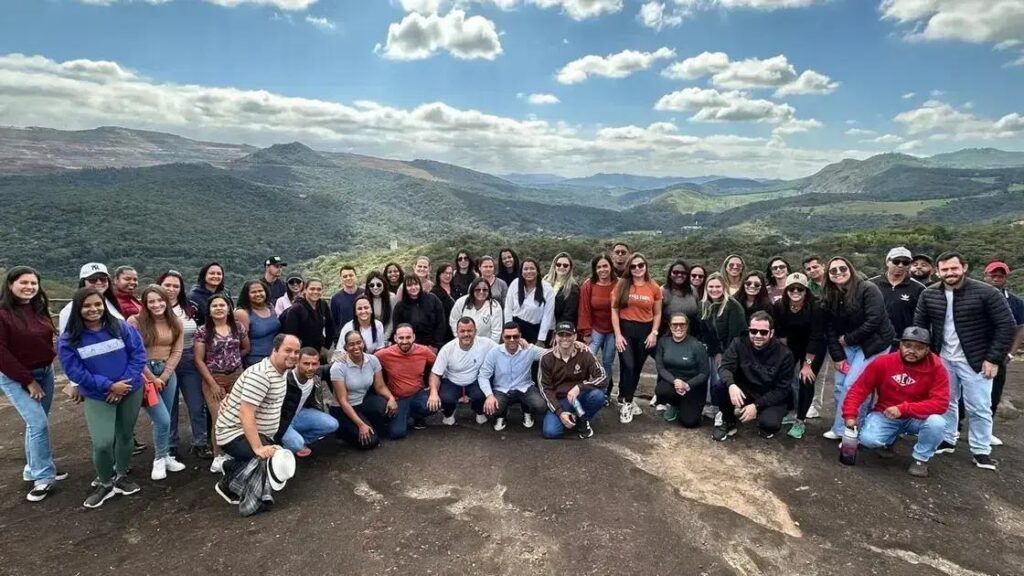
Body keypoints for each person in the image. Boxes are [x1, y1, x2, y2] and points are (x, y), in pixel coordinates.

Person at [913, 252, 1015, 470]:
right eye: (945, 270)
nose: (950, 273)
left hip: (976, 359)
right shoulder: (929, 294)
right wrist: (926, 355)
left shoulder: (986, 293)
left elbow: (1006, 326)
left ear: (964, 267)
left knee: (979, 406)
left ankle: (980, 450)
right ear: (938, 271)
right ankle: (948, 439)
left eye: (954, 268)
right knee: (946, 402)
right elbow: (920, 325)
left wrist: (993, 358)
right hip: (943, 358)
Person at [58, 287, 146, 509]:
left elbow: (138, 355)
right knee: (103, 442)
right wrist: (108, 386)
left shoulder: (120, 327)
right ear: (78, 309)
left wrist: (123, 385)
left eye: (97, 304)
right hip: (99, 395)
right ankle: (105, 483)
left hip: (129, 389)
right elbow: (75, 371)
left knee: (125, 435)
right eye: (87, 306)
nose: (93, 309)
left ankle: (121, 475)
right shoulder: (70, 339)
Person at [843, 327, 950, 477]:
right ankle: (890, 439)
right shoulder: (883, 362)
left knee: (937, 423)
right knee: (868, 440)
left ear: (927, 350)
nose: (912, 351)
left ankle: (921, 459)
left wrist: (904, 409)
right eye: (907, 346)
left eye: (919, 348)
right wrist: (849, 415)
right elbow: (858, 390)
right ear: (900, 345)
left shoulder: (937, 368)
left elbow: (941, 403)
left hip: (917, 417)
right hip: (886, 413)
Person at [212, 334, 301, 507]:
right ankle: (228, 484)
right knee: (266, 458)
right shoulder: (262, 375)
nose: (293, 355)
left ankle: (234, 465)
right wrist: (258, 448)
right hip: (233, 433)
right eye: (287, 350)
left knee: (274, 457)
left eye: (296, 352)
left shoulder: (281, 371)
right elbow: (246, 413)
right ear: (274, 350)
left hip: (253, 431)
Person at [0, 267, 63, 502]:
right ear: (10, 285)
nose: (29, 287)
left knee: (37, 422)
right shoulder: (3, 314)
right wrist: (28, 381)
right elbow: (2, 353)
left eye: (33, 283)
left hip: (44, 371)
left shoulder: (37, 309)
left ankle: (33, 467)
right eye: (23, 283)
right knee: (38, 423)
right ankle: (43, 476)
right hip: (17, 376)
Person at [821, 256, 896, 441]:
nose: (838, 273)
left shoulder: (868, 289)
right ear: (828, 275)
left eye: (842, 268)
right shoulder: (831, 295)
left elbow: (875, 319)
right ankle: (840, 427)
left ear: (850, 269)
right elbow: (829, 329)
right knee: (840, 386)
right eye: (833, 270)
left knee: (854, 386)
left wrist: (848, 339)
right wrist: (838, 356)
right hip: (848, 345)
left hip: (874, 344)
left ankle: (853, 430)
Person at [127, 285, 187, 481]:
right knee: (162, 419)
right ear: (144, 303)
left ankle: (166, 455)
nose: (156, 304)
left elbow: (177, 351)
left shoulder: (175, 321)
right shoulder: (135, 322)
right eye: (151, 301)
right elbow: (133, 353)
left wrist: (165, 375)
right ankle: (159, 459)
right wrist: (152, 378)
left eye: (160, 300)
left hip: (167, 373)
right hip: (143, 374)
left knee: (166, 417)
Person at [713, 311, 794, 441]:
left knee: (770, 424)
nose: (758, 335)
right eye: (753, 331)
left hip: (768, 394)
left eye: (763, 332)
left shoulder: (784, 354)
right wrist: (731, 385)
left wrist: (757, 405)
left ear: (771, 333)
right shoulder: (738, 343)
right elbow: (725, 366)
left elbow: (782, 389)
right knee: (721, 385)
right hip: (745, 390)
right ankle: (728, 420)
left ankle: (762, 417)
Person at [157, 270, 211, 459]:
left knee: (196, 404)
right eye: (167, 285)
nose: (171, 289)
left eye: (175, 286)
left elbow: (203, 331)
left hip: (189, 358)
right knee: (169, 406)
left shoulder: (191, 308)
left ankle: (201, 442)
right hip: (164, 360)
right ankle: (170, 444)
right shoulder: (154, 308)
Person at [194, 293, 250, 473]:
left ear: (229, 308)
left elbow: (246, 347)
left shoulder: (238, 327)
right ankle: (218, 455)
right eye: (214, 306)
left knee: (237, 416)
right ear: (209, 310)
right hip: (214, 379)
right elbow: (198, 360)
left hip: (236, 377)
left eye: (222, 305)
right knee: (219, 418)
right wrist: (212, 384)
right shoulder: (203, 331)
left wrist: (232, 361)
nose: (219, 308)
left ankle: (235, 452)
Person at [772, 273, 826, 439]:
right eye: (791, 288)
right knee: (784, 375)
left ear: (806, 290)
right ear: (786, 290)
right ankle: (790, 411)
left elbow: (817, 336)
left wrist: (807, 364)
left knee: (805, 380)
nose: (795, 291)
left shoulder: (816, 306)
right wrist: (785, 356)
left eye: (800, 288)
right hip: (791, 345)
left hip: (813, 347)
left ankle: (800, 420)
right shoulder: (781, 305)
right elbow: (780, 332)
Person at [611, 252, 662, 423]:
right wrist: (617, 334)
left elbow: (658, 312)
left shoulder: (653, 287)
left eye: (640, 265)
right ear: (629, 268)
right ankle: (626, 402)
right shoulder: (622, 285)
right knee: (629, 366)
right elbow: (614, 310)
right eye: (633, 266)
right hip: (625, 329)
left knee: (636, 369)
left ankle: (628, 398)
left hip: (644, 331)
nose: (637, 269)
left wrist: (654, 332)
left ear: (646, 266)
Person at [330, 330, 396, 450]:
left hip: (362, 402)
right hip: (343, 408)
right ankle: (342, 430)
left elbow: (380, 386)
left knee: (387, 407)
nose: (356, 347)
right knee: (371, 442)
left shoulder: (372, 360)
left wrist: (391, 398)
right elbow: (343, 401)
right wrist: (361, 425)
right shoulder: (338, 367)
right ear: (346, 347)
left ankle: (367, 422)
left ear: (363, 343)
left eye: (358, 342)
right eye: (351, 344)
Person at [540, 321, 606, 439]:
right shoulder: (546, 358)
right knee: (551, 432)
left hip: (579, 396)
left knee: (598, 395)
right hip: (560, 400)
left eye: (568, 335)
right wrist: (560, 412)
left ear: (575, 336)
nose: (565, 338)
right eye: (561, 335)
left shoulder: (584, 352)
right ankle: (570, 418)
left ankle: (583, 419)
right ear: (555, 336)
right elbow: (545, 389)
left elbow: (602, 377)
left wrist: (579, 387)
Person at [478, 322, 549, 431]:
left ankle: (527, 410)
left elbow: (550, 353)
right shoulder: (494, 352)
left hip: (525, 388)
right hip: (502, 390)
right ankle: (501, 415)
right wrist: (489, 396)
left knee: (540, 405)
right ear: (502, 337)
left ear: (520, 336)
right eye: (508, 337)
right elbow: (483, 375)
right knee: (492, 409)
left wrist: (575, 343)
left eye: (515, 336)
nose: (511, 339)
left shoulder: (529, 350)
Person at [982, 261, 1024, 446]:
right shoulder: (973, 295)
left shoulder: (1016, 302)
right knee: (959, 394)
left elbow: (1020, 328)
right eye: (993, 274)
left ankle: (985, 432)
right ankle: (956, 429)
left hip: (998, 355)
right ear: (985, 275)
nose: (996, 277)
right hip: (972, 352)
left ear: (1006, 277)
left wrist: (1010, 354)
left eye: (1001, 274)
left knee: (994, 393)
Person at [373, 325, 440, 439]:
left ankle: (413, 415)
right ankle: (403, 416)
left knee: (435, 405)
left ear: (413, 337)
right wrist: (344, 356)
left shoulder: (423, 351)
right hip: (398, 398)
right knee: (397, 433)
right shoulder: (384, 354)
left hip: (417, 394)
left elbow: (439, 365)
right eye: (401, 338)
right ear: (395, 338)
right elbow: (366, 360)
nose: (405, 341)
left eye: (408, 337)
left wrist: (433, 391)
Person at [432, 317, 497, 426]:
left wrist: (521, 342)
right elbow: (435, 373)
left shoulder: (486, 343)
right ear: (456, 332)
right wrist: (433, 393)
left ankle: (479, 412)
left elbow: (503, 350)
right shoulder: (447, 349)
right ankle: (449, 413)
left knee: (481, 395)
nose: (466, 334)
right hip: (452, 381)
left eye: (470, 331)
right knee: (445, 399)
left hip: (474, 381)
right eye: (462, 331)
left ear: (476, 331)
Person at [276, 347, 339, 457]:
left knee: (332, 424)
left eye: (314, 364)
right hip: (280, 421)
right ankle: (283, 445)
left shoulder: (317, 373)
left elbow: (331, 367)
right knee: (296, 445)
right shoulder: (285, 379)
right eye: (306, 363)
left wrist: (345, 357)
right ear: (297, 363)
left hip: (299, 415)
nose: (310, 368)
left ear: (318, 364)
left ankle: (299, 441)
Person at [655, 313, 711, 428]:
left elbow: (704, 373)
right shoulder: (663, 342)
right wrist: (675, 381)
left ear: (687, 326)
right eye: (675, 325)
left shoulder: (696, 345)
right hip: (674, 382)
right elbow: (660, 368)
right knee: (661, 390)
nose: (679, 328)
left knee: (689, 422)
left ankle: (690, 407)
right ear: (670, 326)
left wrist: (687, 385)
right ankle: (674, 405)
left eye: (682, 324)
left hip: (693, 385)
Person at [578, 254, 617, 404]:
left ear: (610, 267)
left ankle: (604, 393)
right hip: (595, 328)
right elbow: (584, 309)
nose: (602, 269)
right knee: (587, 359)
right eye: (599, 267)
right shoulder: (589, 284)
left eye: (605, 266)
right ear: (595, 269)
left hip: (613, 330)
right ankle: (583, 390)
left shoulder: (618, 284)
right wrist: (586, 332)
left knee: (607, 362)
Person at [869, 247, 926, 341]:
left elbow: (923, 319)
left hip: (904, 342)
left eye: (905, 262)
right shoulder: (871, 284)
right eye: (896, 261)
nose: (900, 265)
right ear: (887, 262)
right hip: (874, 340)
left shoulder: (918, 288)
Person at [58, 263, 125, 333]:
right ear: (83, 282)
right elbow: (67, 338)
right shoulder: (69, 310)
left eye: (103, 279)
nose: (99, 283)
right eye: (93, 280)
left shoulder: (111, 302)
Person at [504, 258, 556, 345]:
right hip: (517, 329)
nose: (528, 271)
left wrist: (541, 339)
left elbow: (548, 315)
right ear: (521, 271)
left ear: (537, 271)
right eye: (525, 269)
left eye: (532, 268)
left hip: (537, 330)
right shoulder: (515, 284)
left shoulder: (547, 288)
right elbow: (508, 309)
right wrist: (509, 332)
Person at [280, 278, 335, 355]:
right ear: (305, 290)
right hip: (301, 352)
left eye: (319, 289)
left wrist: (326, 346)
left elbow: (330, 326)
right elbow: (291, 334)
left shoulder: (323, 305)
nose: (315, 292)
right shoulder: (296, 309)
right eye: (312, 289)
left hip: (318, 350)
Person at [392, 275, 447, 351]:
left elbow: (441, 323)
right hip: (410, 347)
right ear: (405, 288)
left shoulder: (432, 299)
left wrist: (436, 344)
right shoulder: (399, 307)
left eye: (416, 284)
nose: (413, 287)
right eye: (409, 285)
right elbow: (397, 328)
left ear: (420, 285)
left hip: (432, 346)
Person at [236, 280, 281, 367]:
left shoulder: (270, 307)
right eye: (253, 292)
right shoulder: (242, 313)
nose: (258, 294)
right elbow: (240, 344)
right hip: (254, 361)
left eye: (260, 291)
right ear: (247, 295)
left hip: (274, 357)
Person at [450, 277, 503, 343]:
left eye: (485, 290)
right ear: (472, 290)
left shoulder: (495, 306)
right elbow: (453, 320)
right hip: (463, 343)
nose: (481, 292)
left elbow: (496, 332)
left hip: (486, 346)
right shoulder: (461, 302)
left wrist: (490, 348)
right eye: (478, 289)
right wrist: (459, 338)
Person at [661, 260, 701, 337]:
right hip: (669, 335)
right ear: (670, 274)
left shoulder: (693, 290)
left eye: (683, 273)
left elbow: (697, 314)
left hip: (692, 335)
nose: (679, 275)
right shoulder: (663, 291)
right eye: (675, 272)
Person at [543, 252, 580, 335]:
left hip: (556, 329)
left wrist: (558, 331)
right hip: (541, 325)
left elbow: (568, 315)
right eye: (558, 264)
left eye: (565, 265)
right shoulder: (545, 281)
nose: (561, 267)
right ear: (554, 265)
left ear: (570, 268)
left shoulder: (572, 288)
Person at [329, 265, 364, 338]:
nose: (348, 278)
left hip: (365, 335)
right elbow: (334, 323)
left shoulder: (365, 294)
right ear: (341, 279)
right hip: (344, 338)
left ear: (356, 276)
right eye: (345, 276)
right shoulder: (336, 299)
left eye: (351, 275)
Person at [364, 271, 396, 342]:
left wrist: (384, 339)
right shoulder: (364, 299)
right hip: (368, 337)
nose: (375, 288)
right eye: (372, 285)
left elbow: (391, 322)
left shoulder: (392, 298)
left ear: (383, 284)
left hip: (387, 337)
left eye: (378, 285)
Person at [431, 263, 457, 344]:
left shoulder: (456, 289)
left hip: (456, 327)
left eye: (450, 273)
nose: (448, 276)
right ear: (439, 274)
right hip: (442, 329)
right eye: (445, 273)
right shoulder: (434, 292)